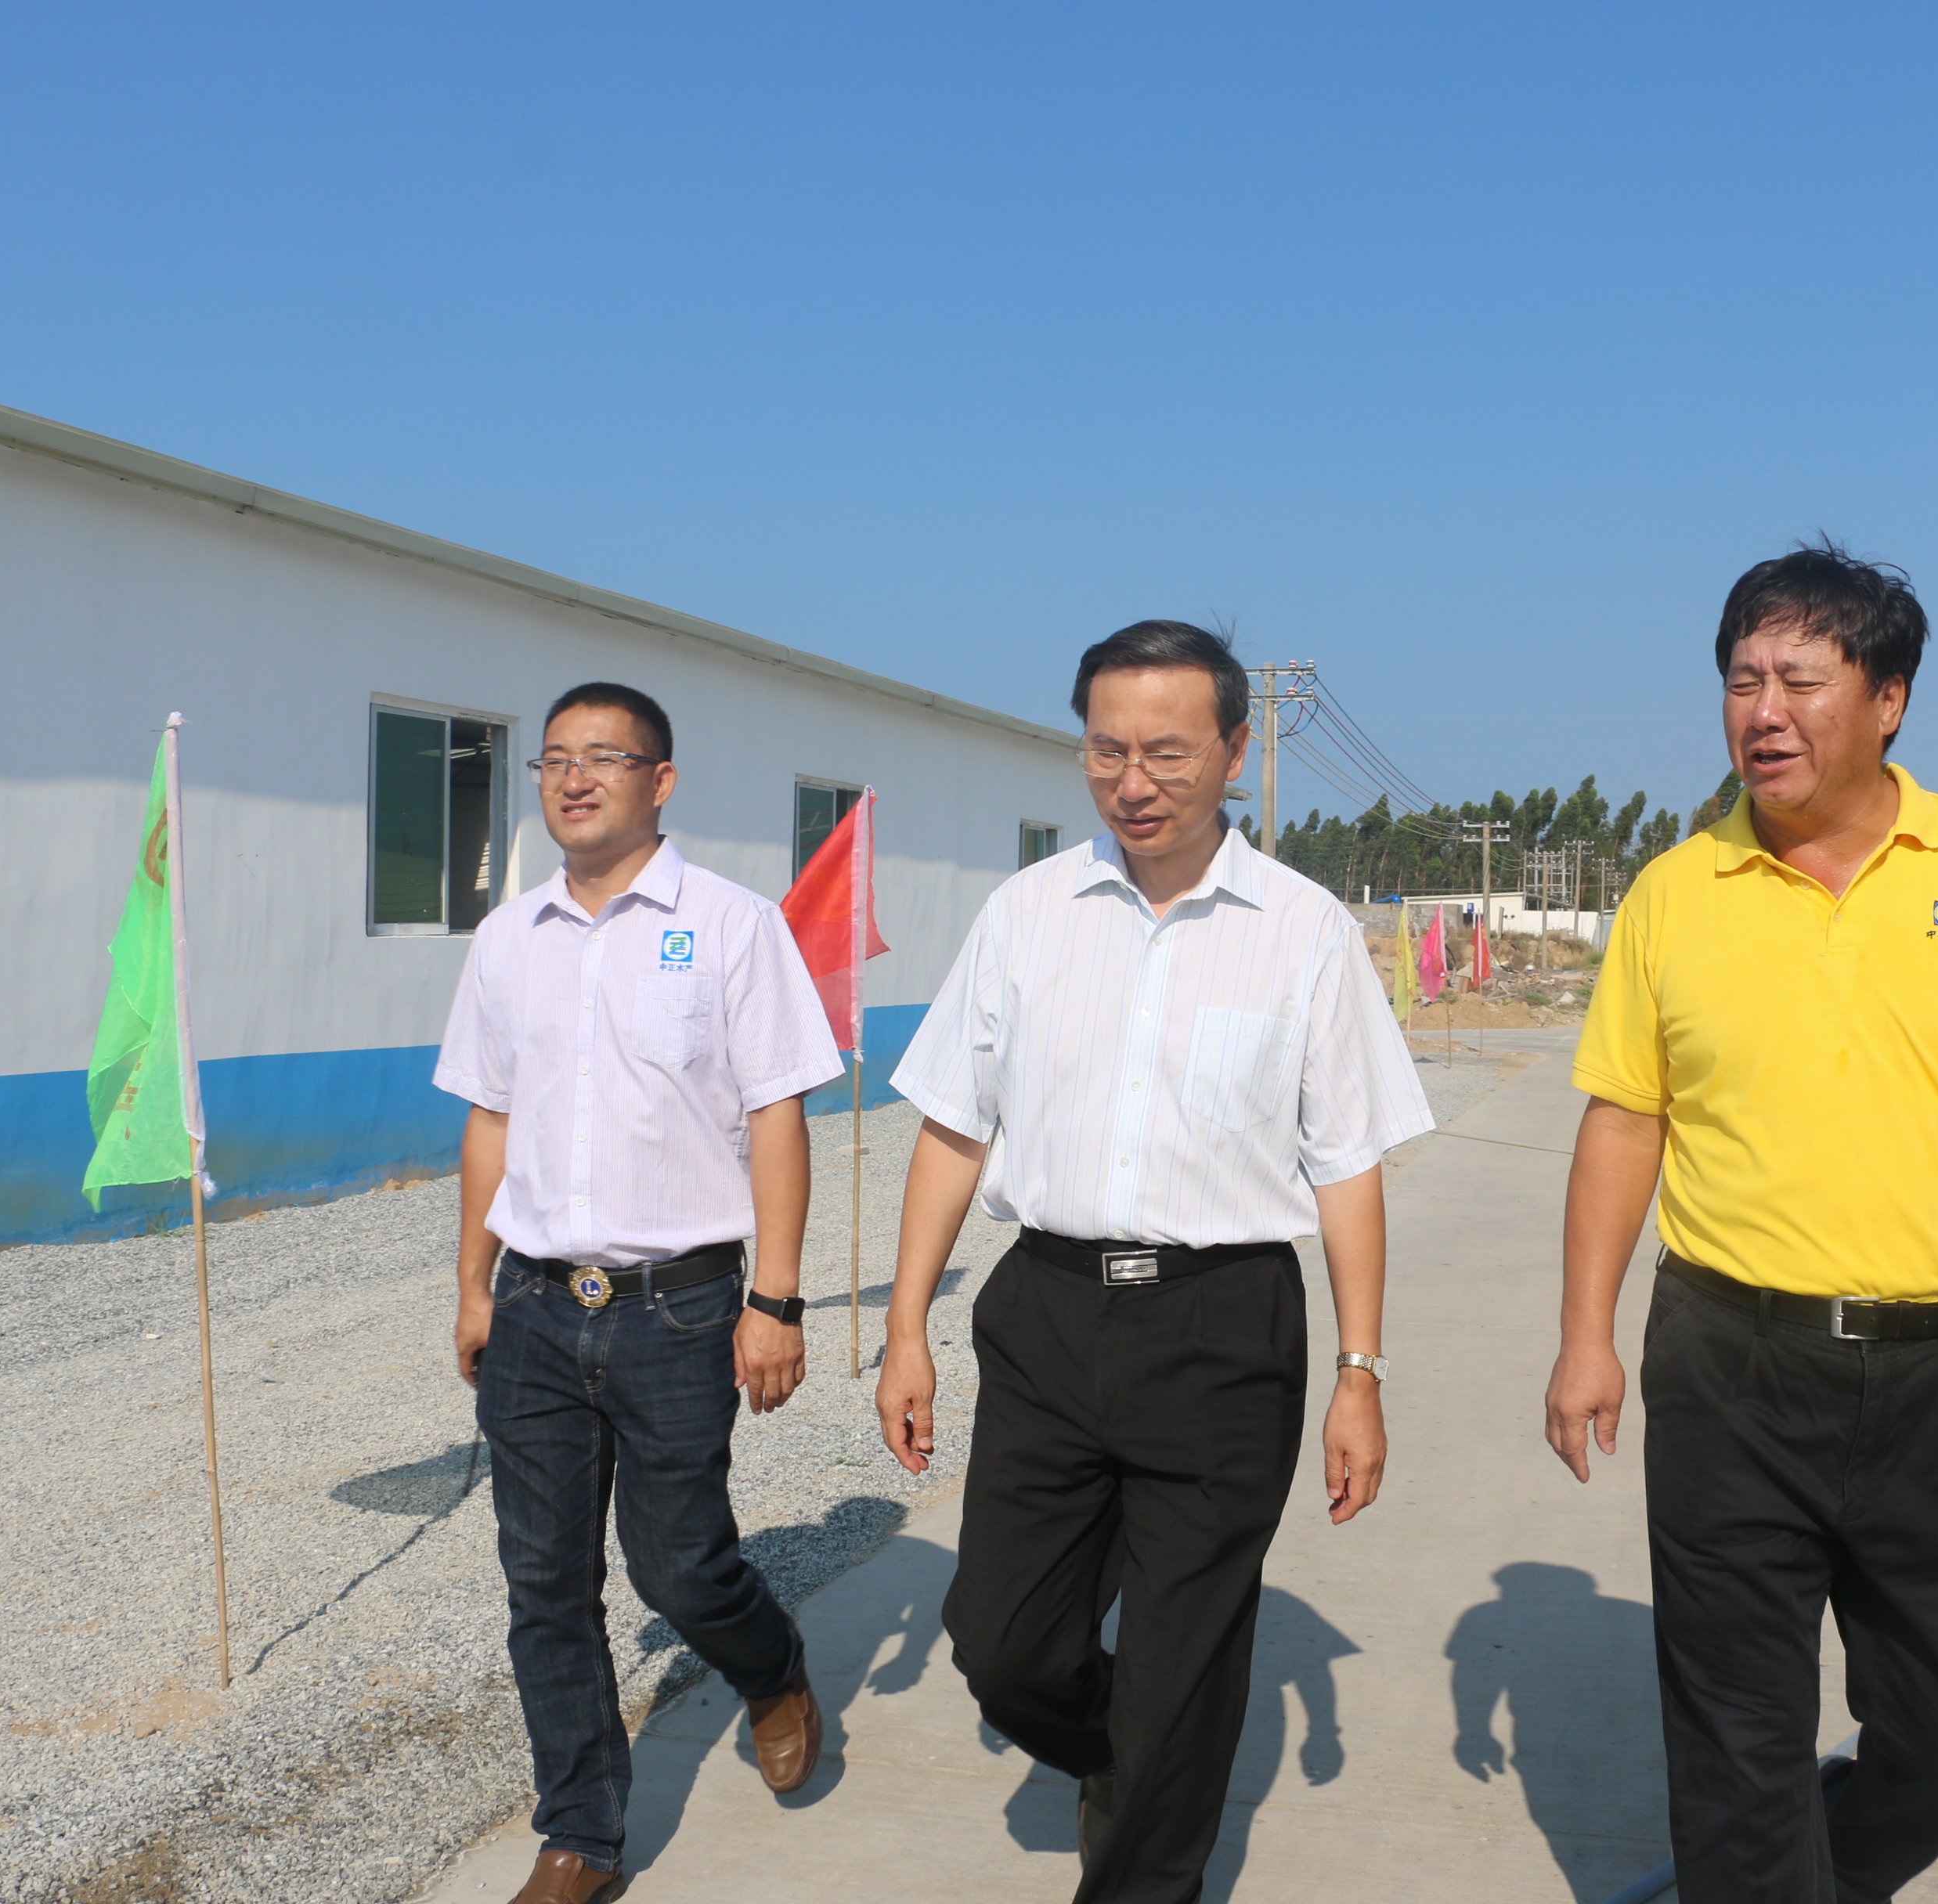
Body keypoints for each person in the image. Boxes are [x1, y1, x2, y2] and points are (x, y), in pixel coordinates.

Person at [1543, 545, 1938, 1904]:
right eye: (1741, 679)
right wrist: (1585, 1334)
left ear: (1889, 698)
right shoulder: (1673, 892)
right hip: (1730, 1367)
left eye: (1801, 679)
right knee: (1736, 1743)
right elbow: (1623, 1121)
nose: (1764, 711)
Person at [876, 620, 1431, 1903]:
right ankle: (1139, 1758)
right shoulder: (1025, 916)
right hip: (1049, 1313)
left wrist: (1359, 1372)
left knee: (1185, 1664)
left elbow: (1346, 1165)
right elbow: (953, 1129)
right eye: (1106, 749)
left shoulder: (1303, 932)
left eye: (1167, 752)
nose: (1134, 780)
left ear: (1233, 751)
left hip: (1221, 1328)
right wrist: (905, 1328)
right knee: (1003, 1645)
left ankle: (1146, 1838)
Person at [436, 681, 847, 1904]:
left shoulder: (730, 926)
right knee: (544, 1584)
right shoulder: (508, 938)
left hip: (681, 1307)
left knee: (678, 1567)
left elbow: (777, 1116)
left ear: (659, 781)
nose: (573, 778)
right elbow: (489, 1120)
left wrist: (779, 1301)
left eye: (604, 757)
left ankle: (769, 1666)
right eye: (554, 759)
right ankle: (581, 1836)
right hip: (534, 1305)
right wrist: (472, 1287)